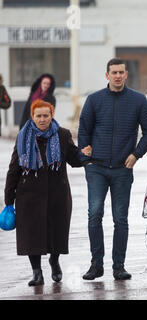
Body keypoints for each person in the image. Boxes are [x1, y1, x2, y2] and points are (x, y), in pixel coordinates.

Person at [78, 58, 147, 281]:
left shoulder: (138, 100)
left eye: (121, 72)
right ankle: (96, 264)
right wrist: (86, 156)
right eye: (114, 72)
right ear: (107, 75)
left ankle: (118, 266)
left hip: (122, 168)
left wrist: (136, 155)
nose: (118, 76)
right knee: (94, 214)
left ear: (126, 74)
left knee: (120, 218)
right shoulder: (94, 100)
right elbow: (83, 130)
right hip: (97, 168)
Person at [4, 99, 88, 286]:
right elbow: (14, 169)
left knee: (56, 232)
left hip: (57, 194)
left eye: (46, 115)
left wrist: (86, 154)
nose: (42, 119)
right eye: (38, 116)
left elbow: (74, 160)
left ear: (52, 115)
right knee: (31, 235)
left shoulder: (62, 134)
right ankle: (37, 272)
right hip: (28, 196)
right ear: (32, 117)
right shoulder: (23, 137)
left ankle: (54, 261)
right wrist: (8, 200)